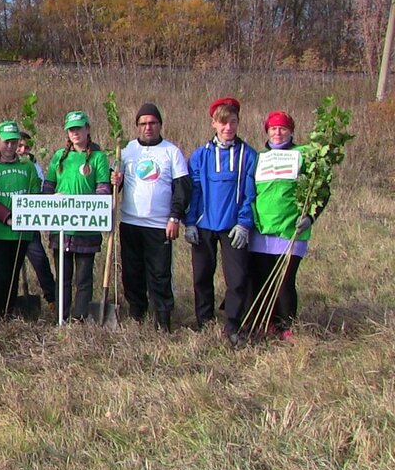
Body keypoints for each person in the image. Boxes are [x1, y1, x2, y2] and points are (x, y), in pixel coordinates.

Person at [110, 103, 191, 332]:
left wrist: (175, 218)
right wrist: (115, 179)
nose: (148, 127)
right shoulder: (125, 151)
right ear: (137, 126)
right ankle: (137, 312)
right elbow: (115, 185)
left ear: (160, 125)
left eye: (152, 123)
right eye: (143, 124)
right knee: (131, 272)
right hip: (130, 222)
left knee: (159, 272)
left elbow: (182, 188)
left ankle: (162, 318)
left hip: (159, 225)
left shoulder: (171, 152)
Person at [185, 97, 258, 345]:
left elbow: (250, 193)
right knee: (201, 276)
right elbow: (194, 191)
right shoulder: (199, 156)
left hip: (232, 227)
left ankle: (233, 324)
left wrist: (244, 223)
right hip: (204, 226)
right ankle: (204, 321)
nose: (228, 128)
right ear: (214, 123)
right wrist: (190, 222)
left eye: (233, 122)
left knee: (236, 279)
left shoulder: (248, 155)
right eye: (223, 122)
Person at [248, 110, 323, 340]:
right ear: (267, 131)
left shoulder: (305, 155)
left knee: (284, 281)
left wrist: (310, 216)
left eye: (282, 128)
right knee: (262, 279)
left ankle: (286, 325)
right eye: (273, 128)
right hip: (261, 229)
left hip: (291, 230)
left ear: (291, 130)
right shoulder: (259, 157)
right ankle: (266, 322)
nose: (278, 133)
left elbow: (320, 190)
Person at [43, 111, 112, 322]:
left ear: (87, 129)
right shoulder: (58, 157)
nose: (75, 133)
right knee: (62, 277)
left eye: (79, 129)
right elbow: (48, 186)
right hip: (61, 227)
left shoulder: (98, 157)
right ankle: (60, 317)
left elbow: (103, 189)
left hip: (86, 227)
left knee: (83, 277)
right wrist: (52, 198)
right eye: (71, 130)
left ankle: (79, 317)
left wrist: (82, 202)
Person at [0, 121, 42, 317]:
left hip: (23, 232)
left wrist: (26, 217)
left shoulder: (28, 167)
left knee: (14, 272)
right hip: (1, 230)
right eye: (6, 142)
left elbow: (34, 194)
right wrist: (7, 218)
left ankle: (9, 309)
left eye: (14, 142)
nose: (10, 146)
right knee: (2, 273)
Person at [17, 134, 57, 302]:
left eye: (27, 147)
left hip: (29, 224)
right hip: (6, 223)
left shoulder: (35, 167)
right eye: (20, 146)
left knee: (40, 261)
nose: (23, 150)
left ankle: (52, 299)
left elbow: (40, 192)